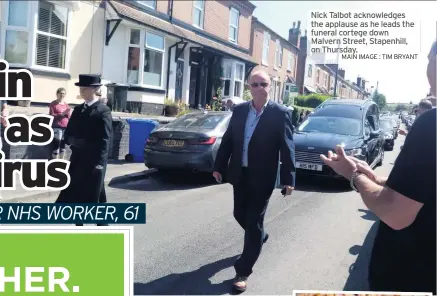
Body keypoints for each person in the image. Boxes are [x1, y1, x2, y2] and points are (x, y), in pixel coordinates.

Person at [319, 40, 437, 294]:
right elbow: (426, 190)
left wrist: (353, 175)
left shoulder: (432, 125)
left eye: (429, 59)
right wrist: (376, 178)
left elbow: (395, 213)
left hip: (413, 276)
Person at [212, 68, 296, 293]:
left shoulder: (280, 113)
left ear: (271, 86)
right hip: (239, 173)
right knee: (240, 215)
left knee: (253, 221)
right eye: (255, 84)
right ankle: (260, 237)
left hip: (264, 177)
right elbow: (229, 140)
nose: (259, 88)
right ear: (248, 87)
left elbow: (288, 147)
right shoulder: (239, 111)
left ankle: (243, 270)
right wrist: (219, 166)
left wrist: (289, 178)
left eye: (264, 84)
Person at [55, 75, 112, 226]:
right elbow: (69, 132)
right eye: (80, 88)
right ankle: (79, 222)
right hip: (78, 157)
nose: (82, 91)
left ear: (95, 89)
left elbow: (105, 139)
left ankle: (101, 223)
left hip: (94, 159)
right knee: (77, 189)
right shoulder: (78, 110)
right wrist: (71, 140)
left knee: (94, 190)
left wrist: (100, 163)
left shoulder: (103, 110)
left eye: (85, 88)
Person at [49, 88, 71, 159]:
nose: (62, 95)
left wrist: (67, 113)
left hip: (65, 127)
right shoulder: (53, 104)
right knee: (57, 144)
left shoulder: (66, 105)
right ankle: (54, 162)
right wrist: (61, 114)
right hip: (57, 127)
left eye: (63, 93)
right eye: (60, 93)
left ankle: (61, 161)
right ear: (57, 94)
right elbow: (51, 115)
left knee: (63, 144)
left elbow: (69, 116)